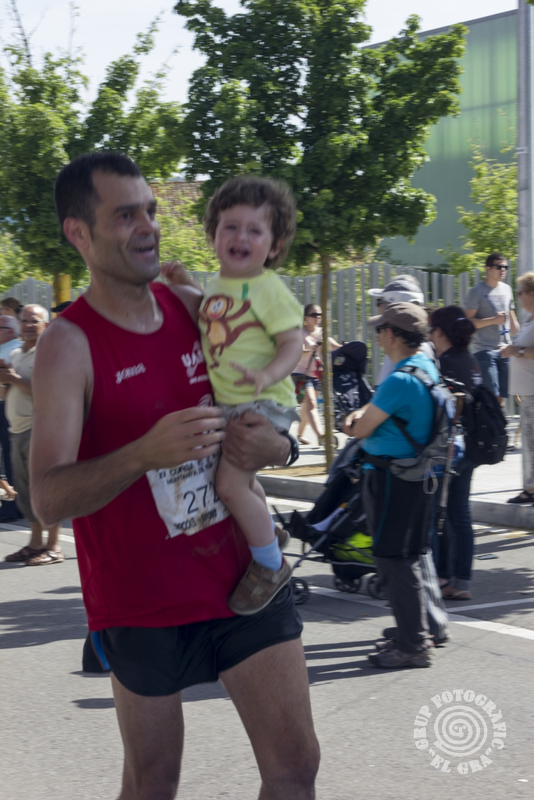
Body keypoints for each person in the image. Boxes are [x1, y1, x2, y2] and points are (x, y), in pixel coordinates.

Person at [30, 152, 320, 799]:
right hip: (143, 600)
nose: (148, 227)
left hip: (245, 581)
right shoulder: (68, 344)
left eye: (151, 211)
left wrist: (277, 446)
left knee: (296, 767)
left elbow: (273, 415)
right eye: (125, 215)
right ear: (79, 232)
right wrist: (142, 453)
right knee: (154, 782)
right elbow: (47, 498)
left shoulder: (195, 306)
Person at [192, 176, 304, 615]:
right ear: (213, 235)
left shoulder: (268, 288)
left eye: (254, 230)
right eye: (230, 227)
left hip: (262, 401)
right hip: (232, 403)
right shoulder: (216, 286)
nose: (241, 237)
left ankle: (270, 565)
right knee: (244, 482)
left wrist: (267, 373)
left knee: (229, 484)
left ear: (274, 246)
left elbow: (292, 343)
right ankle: (269, 534)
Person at [344, 303, 437, 668]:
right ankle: (411, 634)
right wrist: (364, 415)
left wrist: (353, 419)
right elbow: (376, 413)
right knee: (403, 558)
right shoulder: (424, 366)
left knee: (393, 560)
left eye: (380, 329)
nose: (377, 335)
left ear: (393, 335)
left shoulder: (400, 380)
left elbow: (360, 427)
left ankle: (413, 646)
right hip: (413, 476)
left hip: (391, 479)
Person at [1, 305, 64, 564]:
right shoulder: (15, 353)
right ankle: (36, 543)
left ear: (46, 325)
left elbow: (47, 391)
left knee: (46, 489)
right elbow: (7, 392)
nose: (28, 325)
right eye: (24, 320)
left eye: (34, 321)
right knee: (26, 492)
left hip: (40, 430)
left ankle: (54, 547)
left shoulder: (49, 353)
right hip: (17, 430)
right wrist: (4, 379)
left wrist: (14, 378)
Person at [429, 306, 478, 600]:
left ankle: (442, 576)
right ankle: (461, 581)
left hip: (450, 448)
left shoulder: (444, 363)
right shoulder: (470, 360)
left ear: (439, 331)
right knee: (460, 514)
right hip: (471, 445)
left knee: (438, 514)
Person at [464, 253, 519, 405]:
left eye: (505, 267)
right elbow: (467, 323)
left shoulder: (507, 289)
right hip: (484, 350)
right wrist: (493, 320)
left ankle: (496, 419)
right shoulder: (477, 291)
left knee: (502, 395)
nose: (503, 270)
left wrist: (521, 341)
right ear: (488, 268)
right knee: (491, 394)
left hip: (505, 349)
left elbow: (513, 320)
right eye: (499, 267)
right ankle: (489, 419)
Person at [501, 271, 534, 504]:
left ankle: (531, 489)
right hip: (528, 392)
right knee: (531, 443)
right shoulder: (529, 320)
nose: (519, 297)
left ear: (532, 294)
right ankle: (531, 488)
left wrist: (517, 351)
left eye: (521, 292)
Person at [292, 303, 341, 446]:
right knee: (311, 404)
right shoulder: (300, 332)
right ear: (306, 317)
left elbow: (334, 346)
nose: (318, 317)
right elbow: (298, 352)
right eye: (314, 314)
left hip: (316, 374)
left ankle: (300, 435)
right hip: (300, 374)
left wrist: (346, 347)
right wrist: (312, 348)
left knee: (307, 407)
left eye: (320, 314)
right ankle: (322, 436)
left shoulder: (322, 332)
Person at [0, 314, 22, 519]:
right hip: (5, 407)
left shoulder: (13, 351)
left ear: (10, 331)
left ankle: (12, 505)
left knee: (10, 457)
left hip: (6, 408)